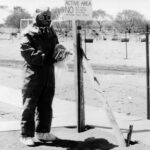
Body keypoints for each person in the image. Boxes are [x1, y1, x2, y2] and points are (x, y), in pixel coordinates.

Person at [20, 8, 67, 146]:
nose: (46, 19)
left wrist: (61, 52)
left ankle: (43, 132)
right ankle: (26, 134)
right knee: (29, 104)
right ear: (36, 17)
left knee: (46, 104)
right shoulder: (29, 32)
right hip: (33, 74)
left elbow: (56, 46)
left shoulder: (51, 32)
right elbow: (26, 52)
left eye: (48, 16)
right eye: (43, 16)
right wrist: (46, 57)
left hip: (48, 73)